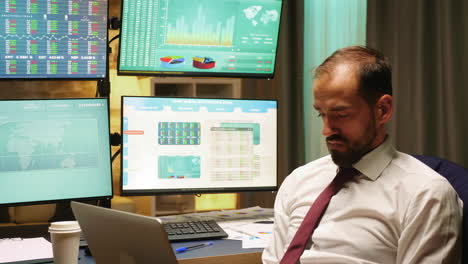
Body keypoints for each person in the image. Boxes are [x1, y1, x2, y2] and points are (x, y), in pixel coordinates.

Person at [262, 46, 463, 264]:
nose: (326, 130)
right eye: (321, 114)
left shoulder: (426, 194)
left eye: (341, 114)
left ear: (383, 110)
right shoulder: (299, 180)